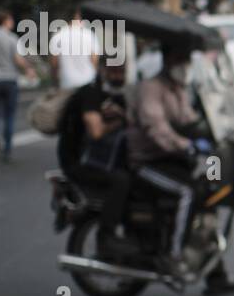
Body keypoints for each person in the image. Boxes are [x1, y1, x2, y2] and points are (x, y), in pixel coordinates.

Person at [126, 41, 209, 279]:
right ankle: (172, 256)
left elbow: (187, 118)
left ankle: (215, 273)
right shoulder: (151, 88)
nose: (186, 66)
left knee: (207, 191)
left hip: (169, 157)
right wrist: (187, 145)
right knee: (187, 192)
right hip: (146, 161)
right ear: (168, 60)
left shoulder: (177, 88)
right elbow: (156, 128)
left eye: (187, 60)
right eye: (181, 60)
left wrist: (210, 132)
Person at [58, 58, 135, 256]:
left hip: (103, 157)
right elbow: (96, 132)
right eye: (114, 71)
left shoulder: (116, 95)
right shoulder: (92, 94)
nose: (119, 76)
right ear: (102, 70)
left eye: (122, 71)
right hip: (79, 162)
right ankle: (106, 238)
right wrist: (119, 121)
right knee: (122, 181)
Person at [0, 10, 36, 162]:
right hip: (9, 80)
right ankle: (8, 148)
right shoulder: (12, 38)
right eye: (10, 19)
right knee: (9, 115)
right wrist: (28, 69)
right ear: (5, 21)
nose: (12, 22)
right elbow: (18, 59)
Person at [49, 9, 99, 90]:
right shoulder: (89, 35)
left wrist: (55, 80)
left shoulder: (57, 35)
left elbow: (54, 63)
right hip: (88, 81)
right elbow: (94, 61)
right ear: (78, 16)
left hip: (67, 83)